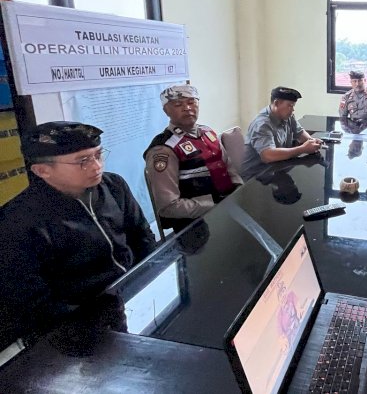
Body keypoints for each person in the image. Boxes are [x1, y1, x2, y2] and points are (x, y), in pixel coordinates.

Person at [0, 121, 156, 347]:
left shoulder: (113, 186)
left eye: (98, 155)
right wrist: (96, 319)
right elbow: (31, 301)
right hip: (78, 324)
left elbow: (142, 235)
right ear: (42, 170)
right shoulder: (17, 221)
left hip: (130, 299)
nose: (96, 166)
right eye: (83, 161)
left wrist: (149, 280)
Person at [145, 85, 242, 232]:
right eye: (178, 104)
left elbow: (229, 167)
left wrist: (240, 190)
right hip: (195, 225)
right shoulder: (163, 149)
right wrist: (215, 206)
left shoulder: (208, 132)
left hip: (227, 209)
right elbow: (168, 207)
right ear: (166, 111)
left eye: (191, 102)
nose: (187, 108)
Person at [241, 86, 323, 181]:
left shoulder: (287, 116)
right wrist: (303, 149)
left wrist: (312, 142)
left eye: (293, 106)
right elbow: (268, 155)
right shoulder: (262, 124)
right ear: (276, 103)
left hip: (275, 169)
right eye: (290, 105)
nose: (292, 110)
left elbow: (300, 133)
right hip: (256, 177)